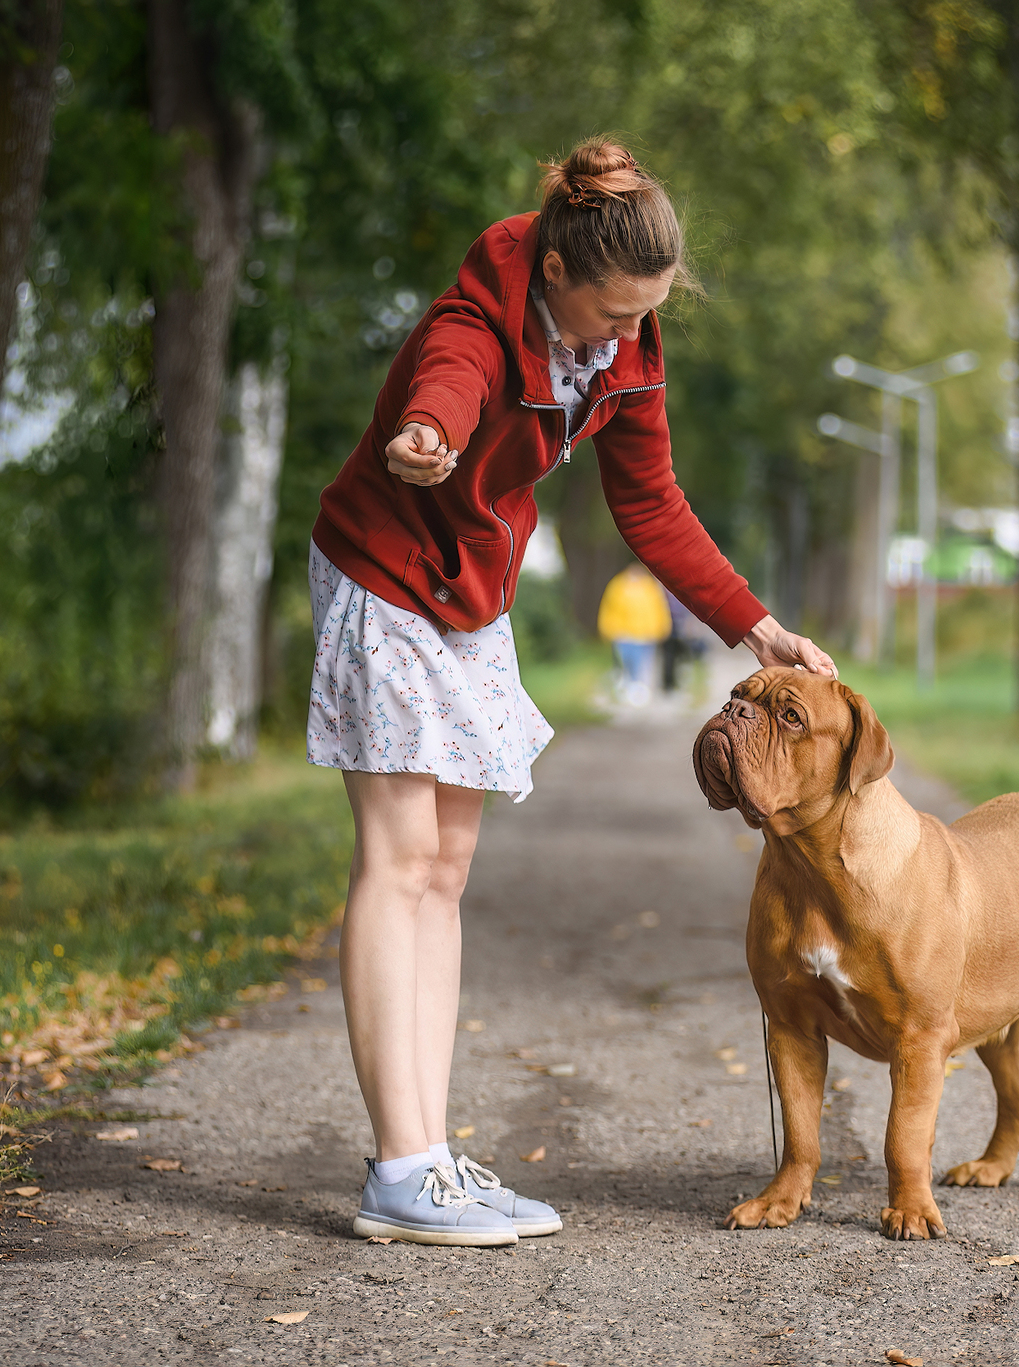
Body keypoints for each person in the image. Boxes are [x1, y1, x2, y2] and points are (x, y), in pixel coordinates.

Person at [307, 136, 836, 1246]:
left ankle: (430, 1155)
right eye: (611, 314)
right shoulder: (477, 315)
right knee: (397, 861)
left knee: (443, 872)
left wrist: (754, 625)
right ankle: (400, 1168)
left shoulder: (626, 351)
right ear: (553, 274)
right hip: (389, 578)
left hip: (469, 594)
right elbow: (445, 383)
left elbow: (651, 506)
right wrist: (426, 434)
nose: (627, 334)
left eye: (645, 314)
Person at [597, 561, 672, 705]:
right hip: (623, 634)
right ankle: (629, 689)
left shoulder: (650, 587)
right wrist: (608, 628)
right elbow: (609, 608)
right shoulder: (618, 586)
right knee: (626, 664)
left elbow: (660, 608)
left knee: (643, 665)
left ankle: (639, 692)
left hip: (646, 635)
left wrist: (663, 627)